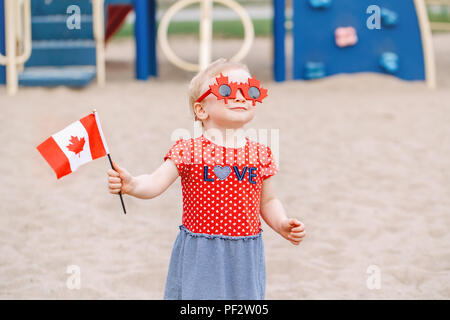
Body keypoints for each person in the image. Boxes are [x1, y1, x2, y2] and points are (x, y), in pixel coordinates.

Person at [107, 58, 306, 299]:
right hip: (202, 252)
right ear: (201, 109)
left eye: (250, 90)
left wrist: (281, 223)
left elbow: (267, 201)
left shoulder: (260, 153)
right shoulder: (188, 150)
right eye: (227, 90)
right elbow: (155, 182)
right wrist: (132, 184)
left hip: (245, 253)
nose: (241, 97)